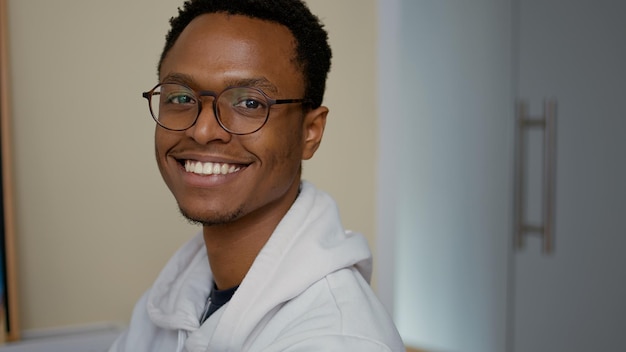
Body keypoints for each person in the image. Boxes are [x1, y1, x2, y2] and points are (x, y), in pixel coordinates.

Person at [109, 0, 404, 351]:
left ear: (310, 132)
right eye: (181, 97)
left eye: (249, 103)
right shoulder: (166, 302)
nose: (203, 130)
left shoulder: (337, 340)